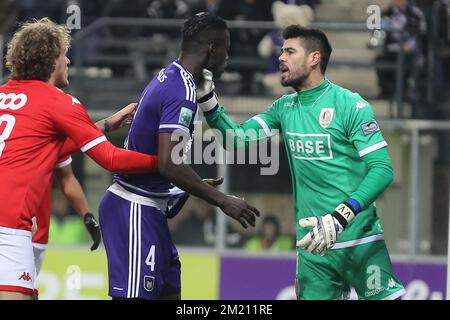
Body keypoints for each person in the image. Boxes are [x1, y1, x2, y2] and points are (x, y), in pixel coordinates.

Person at [197, 25, 405, 300]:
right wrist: (207, 100)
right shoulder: (284, 107)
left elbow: (382, 170)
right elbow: (236, 139)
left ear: (314, 58)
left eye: (289, 51)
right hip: (313, 246)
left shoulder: (351, 105)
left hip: (359, 239)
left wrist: (341, 215)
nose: (280, 57)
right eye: (281, 51)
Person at [98, 12, 260, 300]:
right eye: (226, 48)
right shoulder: (181, 89)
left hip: (152, 209)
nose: (228, 57)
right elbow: (169, 163)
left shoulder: (173, 77)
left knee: (170, 294)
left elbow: (159, 161)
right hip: (134, 208)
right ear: (211, 49)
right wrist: (224, 201)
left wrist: (186, 188)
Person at [0, 18, 160, 300]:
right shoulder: (59, 102)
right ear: (51, 60)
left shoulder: (4, 95)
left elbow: (46, 148)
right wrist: (163, 164)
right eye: (64, 54)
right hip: (8, 227)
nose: (69, 60)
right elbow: (110, 158)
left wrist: (106, 125)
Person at [32, 103, 137, 279]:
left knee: (27, 292)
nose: (66, 73)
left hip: (37, 235)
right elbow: (110, 159)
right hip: (16, 230)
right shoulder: (53, 101)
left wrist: (86, 214)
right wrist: (162, 162)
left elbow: (65, 174)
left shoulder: (45, 136)